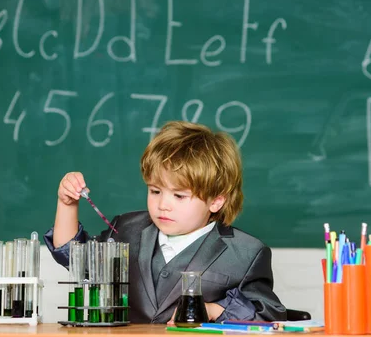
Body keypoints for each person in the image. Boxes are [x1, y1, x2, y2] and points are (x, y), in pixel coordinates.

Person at [44, 121, 286, 323]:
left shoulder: (247, 253)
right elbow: (73, 256)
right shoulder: (127, 230)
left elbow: (270, 316)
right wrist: (67, 204)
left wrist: (213, 310)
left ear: (216, 201)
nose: (163, 205)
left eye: (179, 196)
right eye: (155, 191)